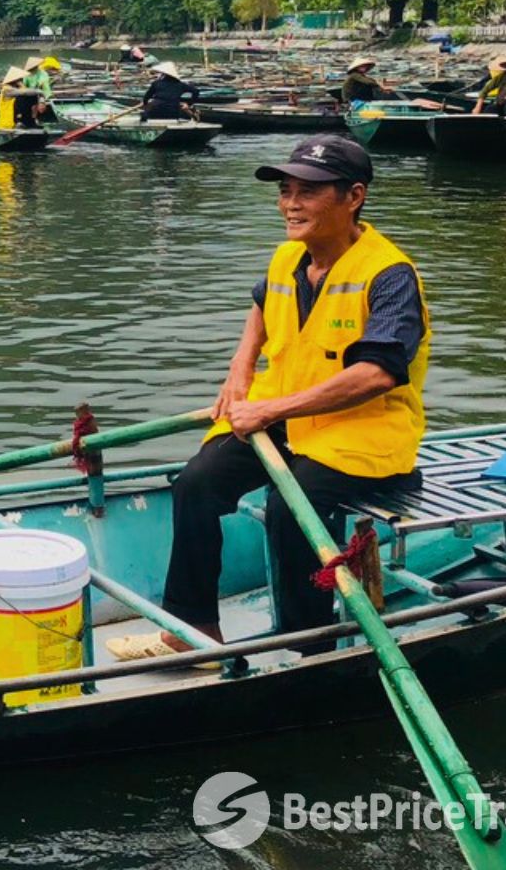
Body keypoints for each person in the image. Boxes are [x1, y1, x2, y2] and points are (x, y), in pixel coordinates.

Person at [108, 135, 428, 660]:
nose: (291, 204)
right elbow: (260, 305)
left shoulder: (389, 274)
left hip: (363, 433)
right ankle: (193, 629)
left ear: (354, 197)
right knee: (196, 483)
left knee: (291, 506)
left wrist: (269, 408)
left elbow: (377, 374)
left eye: (308, 192)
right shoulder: (288, 257)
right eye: (285, 191)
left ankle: (308, 642)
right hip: (285, 416)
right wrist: (238, 371)